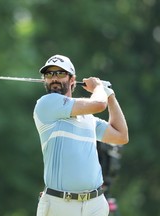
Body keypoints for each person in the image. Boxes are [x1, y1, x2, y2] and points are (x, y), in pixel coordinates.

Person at [33, 54, 129, 216]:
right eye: (49, 74)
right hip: (60, 205)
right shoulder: (46, 104)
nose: (54, 78)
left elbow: (121, 136)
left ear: (72, 80)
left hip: (95, 204)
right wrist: (98, 88)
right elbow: (99, 104)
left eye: (60, 74)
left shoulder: (88, 118)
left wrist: (110, 95)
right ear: (45, 80)